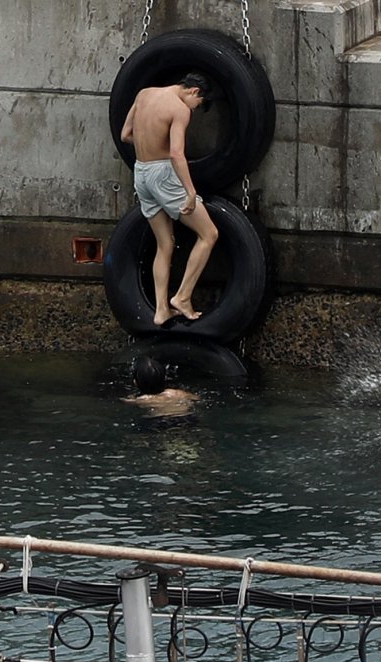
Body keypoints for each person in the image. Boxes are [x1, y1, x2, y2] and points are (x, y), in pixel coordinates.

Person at [120, 72, 219, 327]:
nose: (194, 110)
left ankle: (161, 309)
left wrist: (151, 143)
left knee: (165, 243)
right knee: (209, 235)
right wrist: (189, 191)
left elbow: (126, 135)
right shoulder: (179, 109)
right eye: (198, 105)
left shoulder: (144, 94)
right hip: (164, 175)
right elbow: (176, 153)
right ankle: (183, 297)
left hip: (141, 172)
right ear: (194, 92)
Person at [124, 355, 198, 419]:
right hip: (187, 417)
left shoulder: (143, 399)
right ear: (164, 378)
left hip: (163, 421)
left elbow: (126, 401)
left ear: (135, 382)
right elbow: (196, 398)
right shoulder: (177, 393)